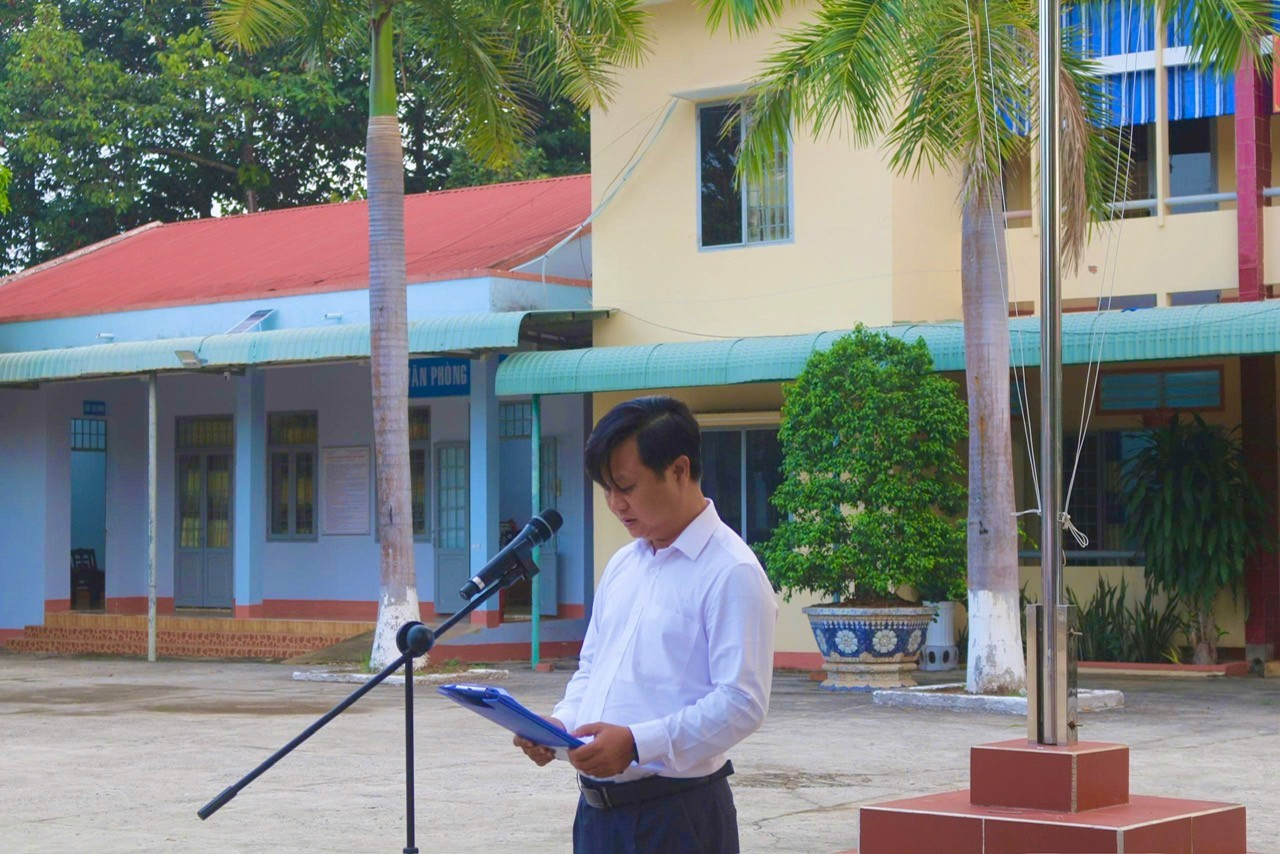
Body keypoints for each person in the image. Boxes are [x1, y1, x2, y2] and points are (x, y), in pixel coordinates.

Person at [514, 395, 778, 853]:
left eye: (626, 487)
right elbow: (593, 669)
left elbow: (742, 703)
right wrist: (560, 727)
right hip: (597, 815)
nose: (616, 504)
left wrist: (638, 744)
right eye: (606, 490)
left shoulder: (730, 571)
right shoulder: (623, 564)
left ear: (679, 470)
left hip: (677, 815)